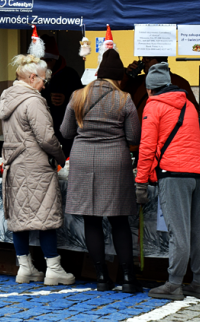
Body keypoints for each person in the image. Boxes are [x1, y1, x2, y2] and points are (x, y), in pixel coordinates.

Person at [60, 49, 142, 293]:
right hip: (115, 161)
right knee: (119, 220)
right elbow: (133, 137)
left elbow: (66, 132)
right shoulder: (124, 98)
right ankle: (128, 278)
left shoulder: (78, 95)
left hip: (83, 160)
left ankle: (101, 278)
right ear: (118, 78)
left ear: (98, 74)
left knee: (91, 220)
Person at [135, 62, 200, 300]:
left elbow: (146, 147)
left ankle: (174, 284)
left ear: (150, 88)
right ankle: (199, 283)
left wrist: (140, 183)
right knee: (199, 231)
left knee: (178, 233)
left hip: (174, 173)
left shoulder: (153, 105)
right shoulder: (188, 104)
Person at [0, 54, 74, 286]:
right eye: (43, 79)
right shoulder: (34, 101)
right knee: (45, 215)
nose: (45, 85)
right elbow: (47, 138)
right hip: (36, 166)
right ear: (32, 78)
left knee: (19, 217)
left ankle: (25, 268)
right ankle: (53, 269)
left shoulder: (7, 97)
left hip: (14, 164)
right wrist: (61, 156)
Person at [40, 34, 83, 157]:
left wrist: (67, 98)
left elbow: (81, 98)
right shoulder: (33, 76)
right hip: (42, 126)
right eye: (43, 60)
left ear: (55, 59)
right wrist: (48, 97)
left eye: (49, 60)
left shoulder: (70, 74)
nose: (46, 64)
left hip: (65, 127)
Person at [121, 57, 198, 124]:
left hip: (166, 130)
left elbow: (193, 110)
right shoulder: (136, 81)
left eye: (148, 59)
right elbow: (119, 95)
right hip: (140, 130)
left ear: (160, 61)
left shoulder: (179, 82)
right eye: (143, 57)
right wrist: (127, 75)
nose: (143, 61)